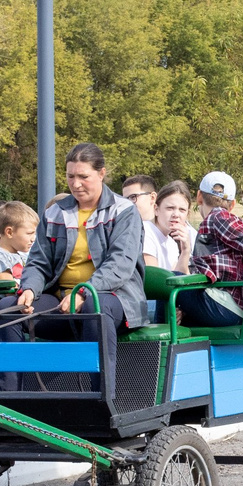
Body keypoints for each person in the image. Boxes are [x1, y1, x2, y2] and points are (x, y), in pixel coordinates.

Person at [13, 144, 148, 378]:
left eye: (83, 177)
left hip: (113, 297)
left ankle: (102, 397)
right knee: (9, 309)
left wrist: (83, 292)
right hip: (61, 299)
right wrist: (29, 289)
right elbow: (38, 262)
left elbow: (120, 265)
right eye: (70, 176)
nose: (75, 184)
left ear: (102, 174)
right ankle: (7, 398)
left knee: (95, 307)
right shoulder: (54, 212)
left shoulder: (124, 211)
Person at [172, 171, 243, 328]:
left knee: (170, 280)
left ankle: (160, 342)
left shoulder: (217, 217)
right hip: (233, 307)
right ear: (233, 204)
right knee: (184, 313)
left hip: (230, 307)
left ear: (199, 197)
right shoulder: (225, 221)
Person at [118, 175, 176, 271]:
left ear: (153, 197)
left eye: (133, 197)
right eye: (125, 200)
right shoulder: (134, 231)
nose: (128, 204)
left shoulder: (170, 239)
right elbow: (152, 278)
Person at [153, 180, 195, 272]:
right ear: (156, 209)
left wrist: (186, 250)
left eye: (182, 210)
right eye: (170, 208)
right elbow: (152, 279)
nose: (176, 214)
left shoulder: (171, 244)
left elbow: (180, 278)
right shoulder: (147, 232)